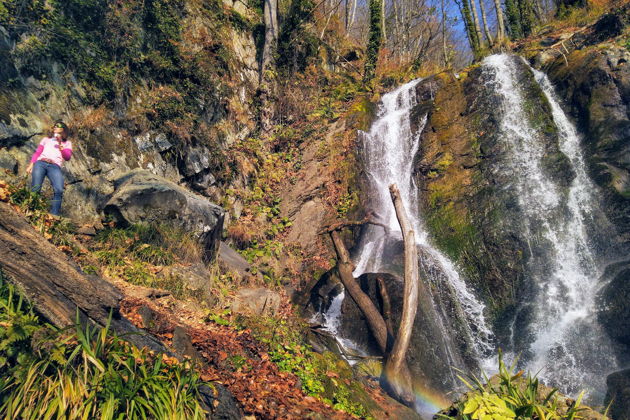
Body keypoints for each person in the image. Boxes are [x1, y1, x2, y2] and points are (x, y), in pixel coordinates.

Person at [25, 121, 73, 216]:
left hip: (54, 166)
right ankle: (30, 210)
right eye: (54, 125)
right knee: (36, 187)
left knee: (59, 189)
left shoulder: (67, 143)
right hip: (41, 163)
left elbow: (67, 157)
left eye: (58, 126)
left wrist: (61, 147)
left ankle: (53, 216)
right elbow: (37, 153)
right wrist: (31, 165)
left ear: (63, 130)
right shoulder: (46, 139)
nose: (55, 127)